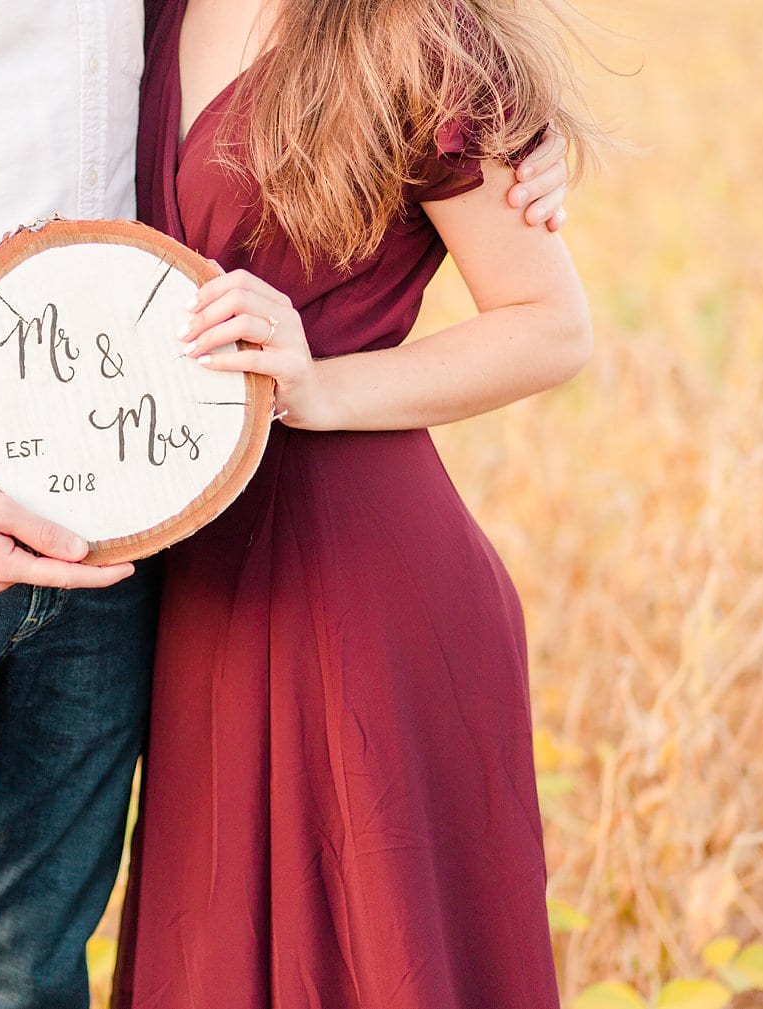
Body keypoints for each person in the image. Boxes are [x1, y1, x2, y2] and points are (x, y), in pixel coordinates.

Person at [0, 2, 571, 1006]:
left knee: (36, 980)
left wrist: (495, 121)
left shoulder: (377, 35)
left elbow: (519, 282)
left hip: (147, 553)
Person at [113, 1, 597, 1007]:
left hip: (355, 580)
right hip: (198, 573)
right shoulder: (139, 16)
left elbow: (549, 324)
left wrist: (318, 390)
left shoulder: (417, 38)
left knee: (377, 958)